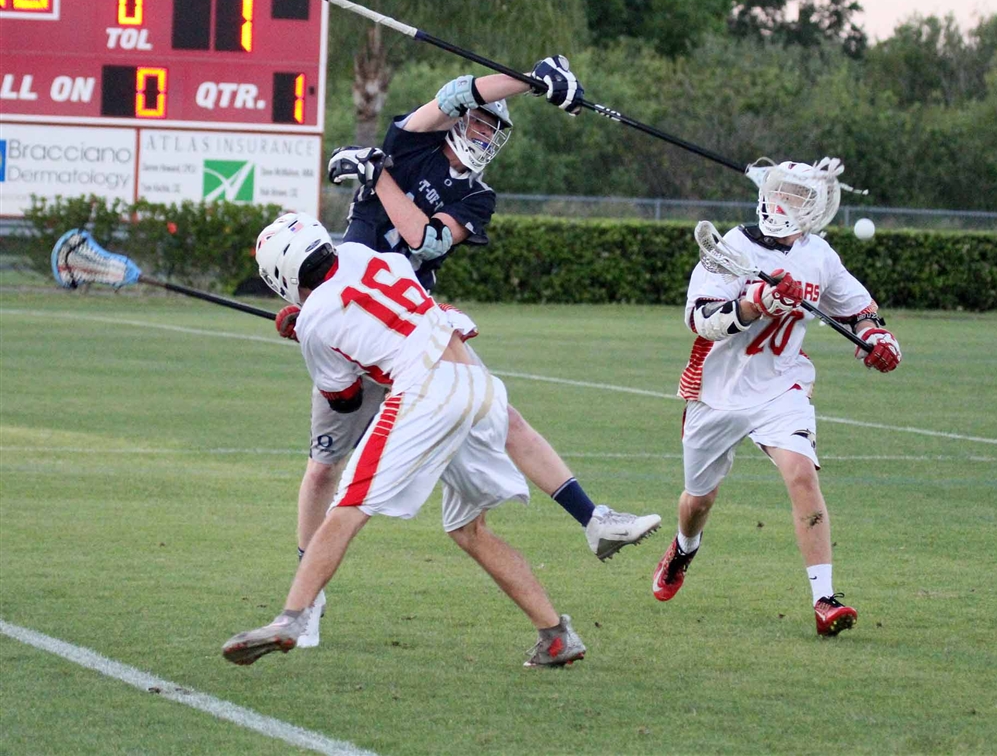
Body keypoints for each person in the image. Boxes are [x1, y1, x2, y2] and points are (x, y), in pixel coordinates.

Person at [276, 56, 660, 647]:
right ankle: (310, 594)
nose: (482, 133)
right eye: (477, 121)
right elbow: (457, 91)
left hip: (415, 328)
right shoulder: (408, 144)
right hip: (348, 319)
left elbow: (425, 239)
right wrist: (530, 80)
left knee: (505, 419)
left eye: (493, 128)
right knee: (325, 467)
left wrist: (378, 179)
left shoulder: (478, 198)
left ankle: (595, 519)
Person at [223, 215, 586, 668]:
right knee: (468, 529)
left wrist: (309, 334)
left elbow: (346, 401)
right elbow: (369, 309)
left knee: (348, 505)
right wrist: (311, 326)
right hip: (475, 382)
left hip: (426, 391)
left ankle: (292, 618)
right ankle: (555, 635)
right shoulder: (361, 253)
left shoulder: (315, 322)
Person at [651, 158, 902, 636]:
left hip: (780, 386)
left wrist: (877, 337)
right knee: (698, 502)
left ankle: (824, 599)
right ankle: (684, 547)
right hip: (716, 392)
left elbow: (859, 310)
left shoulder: (819, 256)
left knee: (801, 474)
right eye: (781, 191)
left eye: (798, 195)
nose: (785, 201)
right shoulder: (731, 246)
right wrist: (754, 304)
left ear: (814, 207)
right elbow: (700, 319)